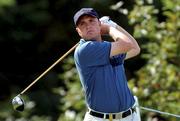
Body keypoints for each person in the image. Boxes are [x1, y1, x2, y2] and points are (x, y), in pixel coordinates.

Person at [73, 8, 141, 121]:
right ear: (79, 31)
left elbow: (135, 48)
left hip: (130, 116)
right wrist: (109, 28)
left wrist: (115, 26)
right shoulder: (84, 50)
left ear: (99, 24)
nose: (88, 26)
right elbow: (126, 44)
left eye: (91, 21)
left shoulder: (109, 48)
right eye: (82, 24)